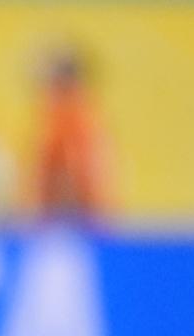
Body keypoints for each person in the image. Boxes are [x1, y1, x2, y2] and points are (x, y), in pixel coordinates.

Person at [32, 47, 111, 222]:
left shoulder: (69, 117)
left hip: (72, 220)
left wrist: (58, 219)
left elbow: (72, 172)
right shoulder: (83, 114)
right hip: (81, 218)